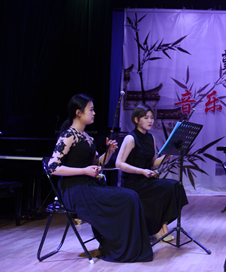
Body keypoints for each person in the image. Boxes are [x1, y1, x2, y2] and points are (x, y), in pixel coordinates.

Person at [47, 94, 153, 262]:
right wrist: (84, 171)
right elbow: (52, 167)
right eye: (91, 110)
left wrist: (109, 152)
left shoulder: (87, 137)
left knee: (131, 195)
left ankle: (125, 246)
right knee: (127, 198)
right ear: (78, 113)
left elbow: (98, 165)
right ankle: (119, 247)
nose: (94, 113)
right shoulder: (69, 135)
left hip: (89, 185)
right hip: (74, 189)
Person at [115, 103, 189, 241]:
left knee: (175, 186)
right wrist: (141, 171)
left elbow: (153, 163)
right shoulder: (130, 138)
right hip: (133, 183)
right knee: (165, 188)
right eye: (146, 117)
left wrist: (165, 157)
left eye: (151, 117)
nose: (150, 121)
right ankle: (159, 229)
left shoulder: (151, 138)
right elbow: (119, 163)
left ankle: (162, 225)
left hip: (146, 180)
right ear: (136, 120)